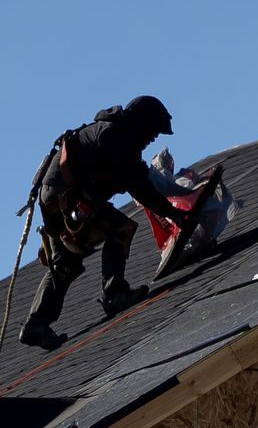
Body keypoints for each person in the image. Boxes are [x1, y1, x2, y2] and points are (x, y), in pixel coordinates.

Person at [18, 95, 174, 351]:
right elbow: (139, 185)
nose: (151, 140)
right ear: (141, 123)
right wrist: (173, 213)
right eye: (152, 133)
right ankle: (115, 294)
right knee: (120, 228)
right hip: (66, 199)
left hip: (55, 200)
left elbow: (135, 179)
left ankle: (35, 325)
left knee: (65, 263)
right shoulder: (115, 136)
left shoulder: (113, 133)